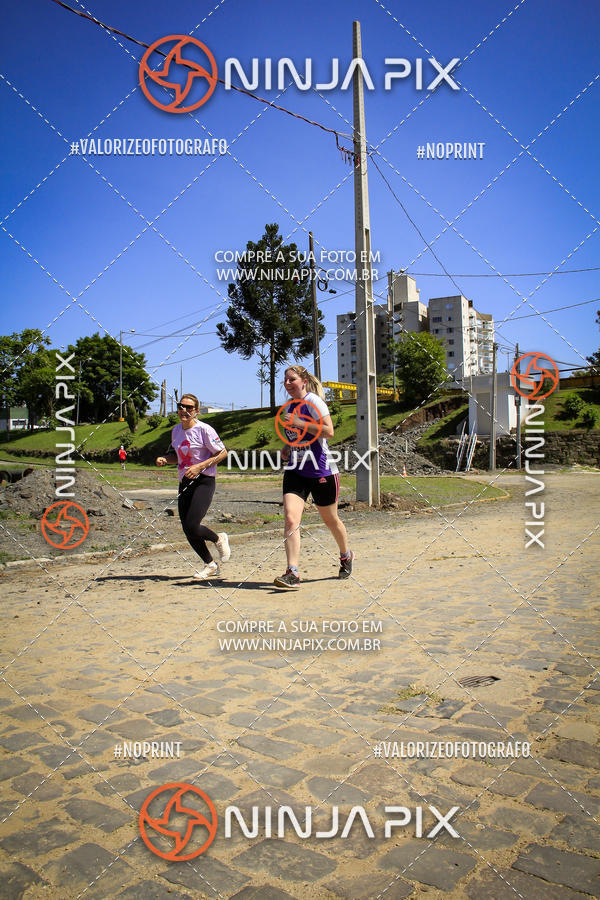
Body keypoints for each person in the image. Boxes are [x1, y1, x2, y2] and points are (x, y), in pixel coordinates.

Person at [274, 365, 353, 590]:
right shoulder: (289, 406)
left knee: (330, 520)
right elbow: (297, 435)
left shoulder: (314, 402)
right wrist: (287, 446)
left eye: (292, 379)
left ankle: (346, 555)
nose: (287, 384)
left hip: (321, 470)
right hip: (296, 470)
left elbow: (328, 432)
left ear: (304, 381)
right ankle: (293, 572)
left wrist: (299, 423)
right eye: (285, 380)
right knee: (290, 519)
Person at [156, 393, 230, 580]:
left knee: (192, 524)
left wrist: (200, 466)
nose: (185, 411)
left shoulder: (205, 430)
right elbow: (177, 456)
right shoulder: (175, 431)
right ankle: (210, 565)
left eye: (189, 408)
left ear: (196, 411)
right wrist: (166, 459)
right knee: (187, 528)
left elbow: (222, 453)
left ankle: (218, 538)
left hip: (204, 481)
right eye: (182, 406)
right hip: (185, 482)